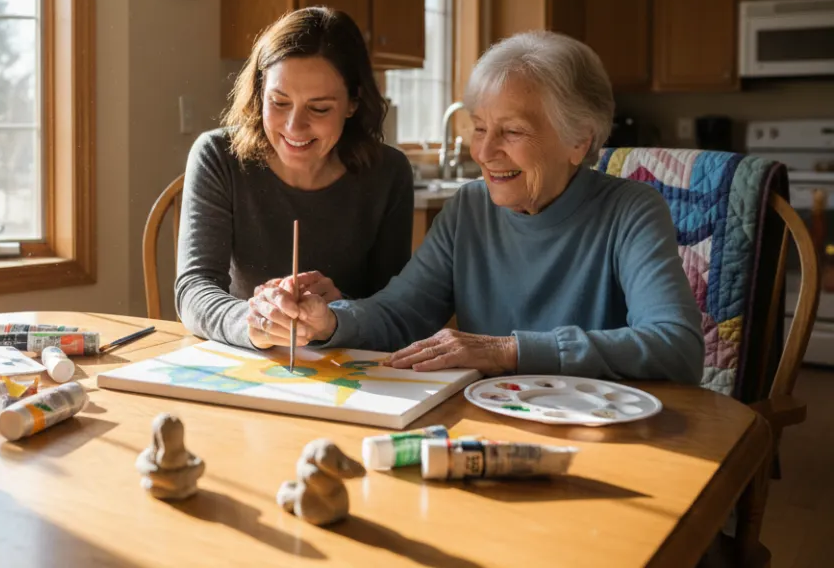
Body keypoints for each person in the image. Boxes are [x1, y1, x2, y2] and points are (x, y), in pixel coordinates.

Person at [246, 31, 704, 383]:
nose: (485, 153)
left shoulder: (632, 211)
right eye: (480, 128)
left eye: (513, 131)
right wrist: (328, 322)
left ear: (579, 140)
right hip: (488, 425)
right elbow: (400, 313)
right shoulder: (469, 207)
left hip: (600, 433)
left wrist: (509, 351)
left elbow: (676, 346)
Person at [176, 6, 414, 350]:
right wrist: (254, 321)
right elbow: (194, 289)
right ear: (260, 93)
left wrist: (339, 312)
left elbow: (395, 307)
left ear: (353, 102)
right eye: (279, 102)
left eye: (319, 108)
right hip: (248, 360)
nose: (293, 127)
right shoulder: (217, 157)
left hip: (347, 369)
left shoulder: (389, 173)